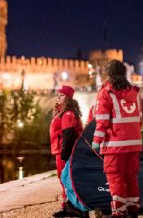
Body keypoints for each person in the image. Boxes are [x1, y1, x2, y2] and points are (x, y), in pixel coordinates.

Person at [91, 60, 142, 218]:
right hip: (134, 144)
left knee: (116, 177)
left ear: (109, 74)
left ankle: (119, 212)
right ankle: (133, 208)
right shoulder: (135, 91)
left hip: (114, 144)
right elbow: (139, 118)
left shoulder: (106, 92)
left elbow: (102, 121)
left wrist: (96, 141)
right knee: (131, 176)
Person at [50, 85, 84, 217]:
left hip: (64, 152)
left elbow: (68, 135)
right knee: (63, 180)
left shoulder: (67, 114)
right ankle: (66, 206)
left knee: (66, 180)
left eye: (62, 95)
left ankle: (74, 207)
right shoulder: (63, 112)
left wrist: (65, 154)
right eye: (58, 94)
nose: (58, 97)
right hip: (60, 151)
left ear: (68, 98)